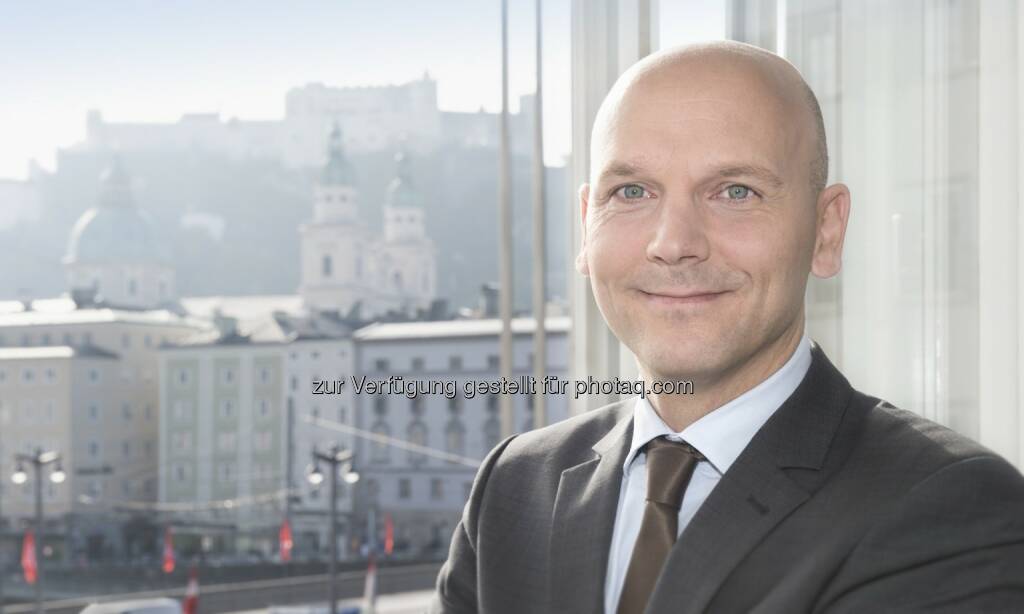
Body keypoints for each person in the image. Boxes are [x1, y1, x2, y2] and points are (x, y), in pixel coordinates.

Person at [430, 41, 1024, 614]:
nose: (674, 244)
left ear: (826, 231)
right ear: (588, 227)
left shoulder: (948, 505)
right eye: (631, 191)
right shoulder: (514, 488)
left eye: (735, 191)